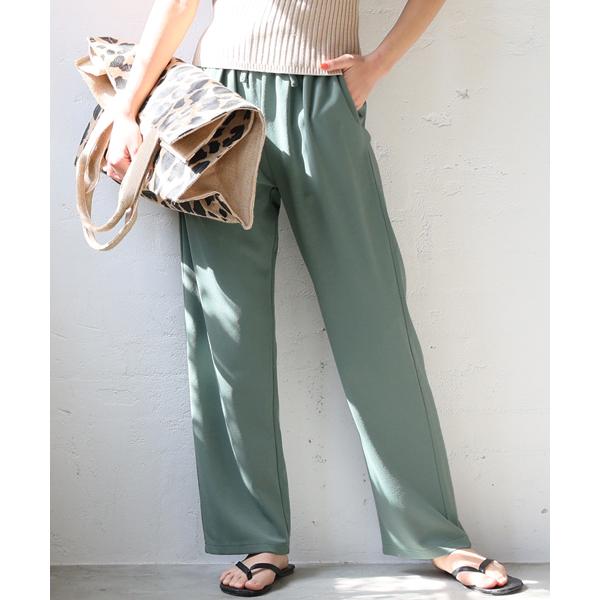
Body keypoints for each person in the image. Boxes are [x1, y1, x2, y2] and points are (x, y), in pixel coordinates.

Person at [104, 0, 524, 596]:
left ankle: (435, 533)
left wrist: (377, 65)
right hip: (217, 110)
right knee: (227, 331)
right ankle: (259, 536)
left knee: (373, 319)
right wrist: (127, 109)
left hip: (325, 101)